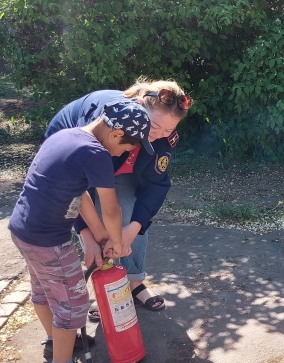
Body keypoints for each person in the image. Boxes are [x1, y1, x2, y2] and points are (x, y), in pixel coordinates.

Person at [9, 100, 152, 363]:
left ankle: (57, 342)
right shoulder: (96, 153)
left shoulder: (68, 136)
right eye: (126, 148)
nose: (123, 154)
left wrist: (100, 236)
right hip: (50, 240)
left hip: (24, 230)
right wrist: (116, 241)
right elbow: (111, 209)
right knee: (73, 304)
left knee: (44, 292)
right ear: (115, 135)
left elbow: (81, 197)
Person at [45, 78, 192, 315]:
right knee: (97, 218)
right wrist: (87, 235)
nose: (159, 136)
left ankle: (134, 281)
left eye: (168, 130)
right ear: (139, 106)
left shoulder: (163, 135)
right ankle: (103, 286)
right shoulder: (105, 120)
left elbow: (156, 184)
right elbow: (76, 192)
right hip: (78, 160)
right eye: (154, 128)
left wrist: (131, 230)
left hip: (121, 163)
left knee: (128, 208)